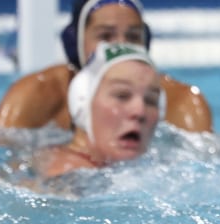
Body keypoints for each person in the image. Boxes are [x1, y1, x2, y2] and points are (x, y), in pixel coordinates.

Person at [0, 0, 213, 133]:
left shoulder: (181, 102)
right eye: (106, 36)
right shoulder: (36, 95)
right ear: (74, 44)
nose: (121, 48)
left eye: (133, 37)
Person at [30, 42, 164, 179]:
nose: (140, 112)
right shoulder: (69, 174)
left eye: (151, 100)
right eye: (122, 95)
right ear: (82, 100)